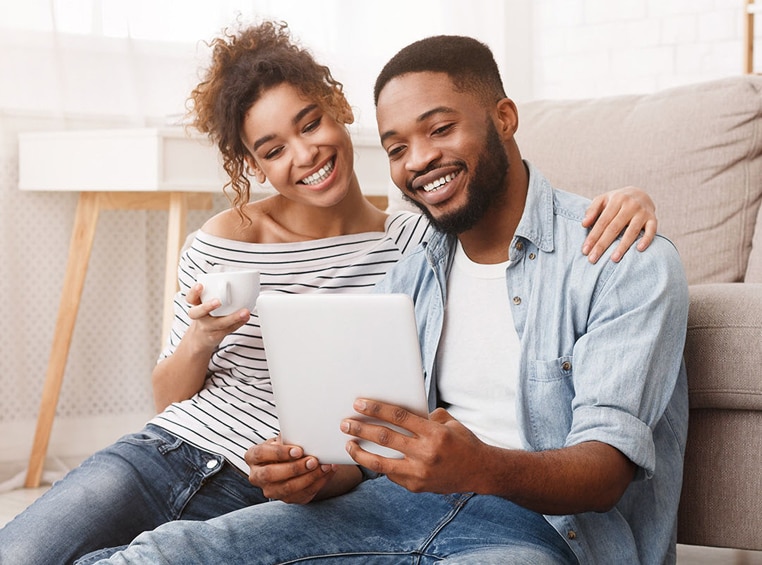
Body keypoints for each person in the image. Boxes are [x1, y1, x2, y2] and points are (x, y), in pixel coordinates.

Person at [0, 23, 658, 565]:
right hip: (191, 452)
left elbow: (524, 221)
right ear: (254, 166)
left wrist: (631, 198)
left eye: (309, 123)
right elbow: (359, 432)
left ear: (337, 112)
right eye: (400, 145)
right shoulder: (390, 253)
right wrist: (210, 343)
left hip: (346, 495)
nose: (420, 161)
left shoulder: (413, 241)